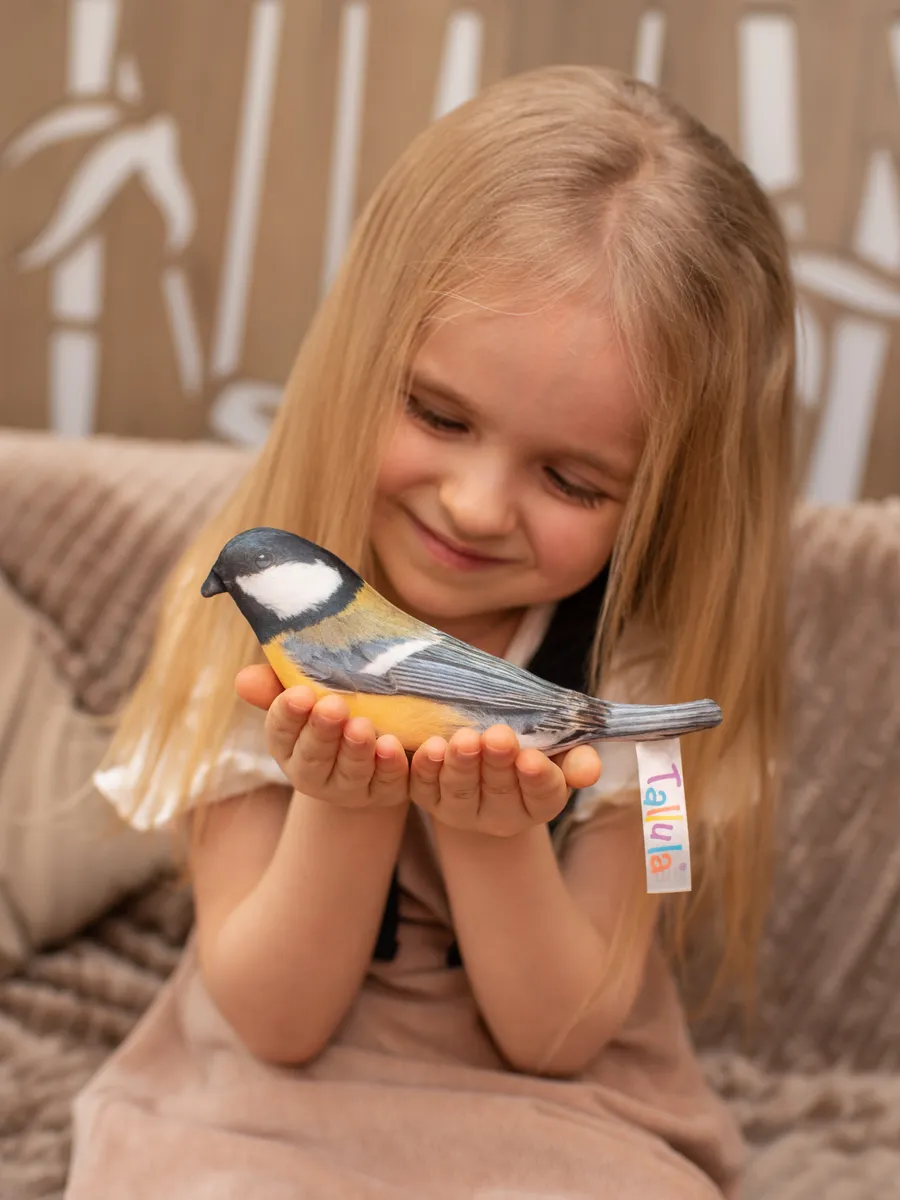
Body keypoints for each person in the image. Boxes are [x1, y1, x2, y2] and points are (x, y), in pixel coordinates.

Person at [66, 64, 795, 1199]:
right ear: (356, 360)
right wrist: (349, 796)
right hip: (271, 1100)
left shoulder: (649, 695)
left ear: (665, 499)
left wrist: (492, 830)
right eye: (438, 415)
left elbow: (566, 1032)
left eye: (571, 479)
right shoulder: (247, 628)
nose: (475, 505)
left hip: (567, 1109)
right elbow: (273, 1020)